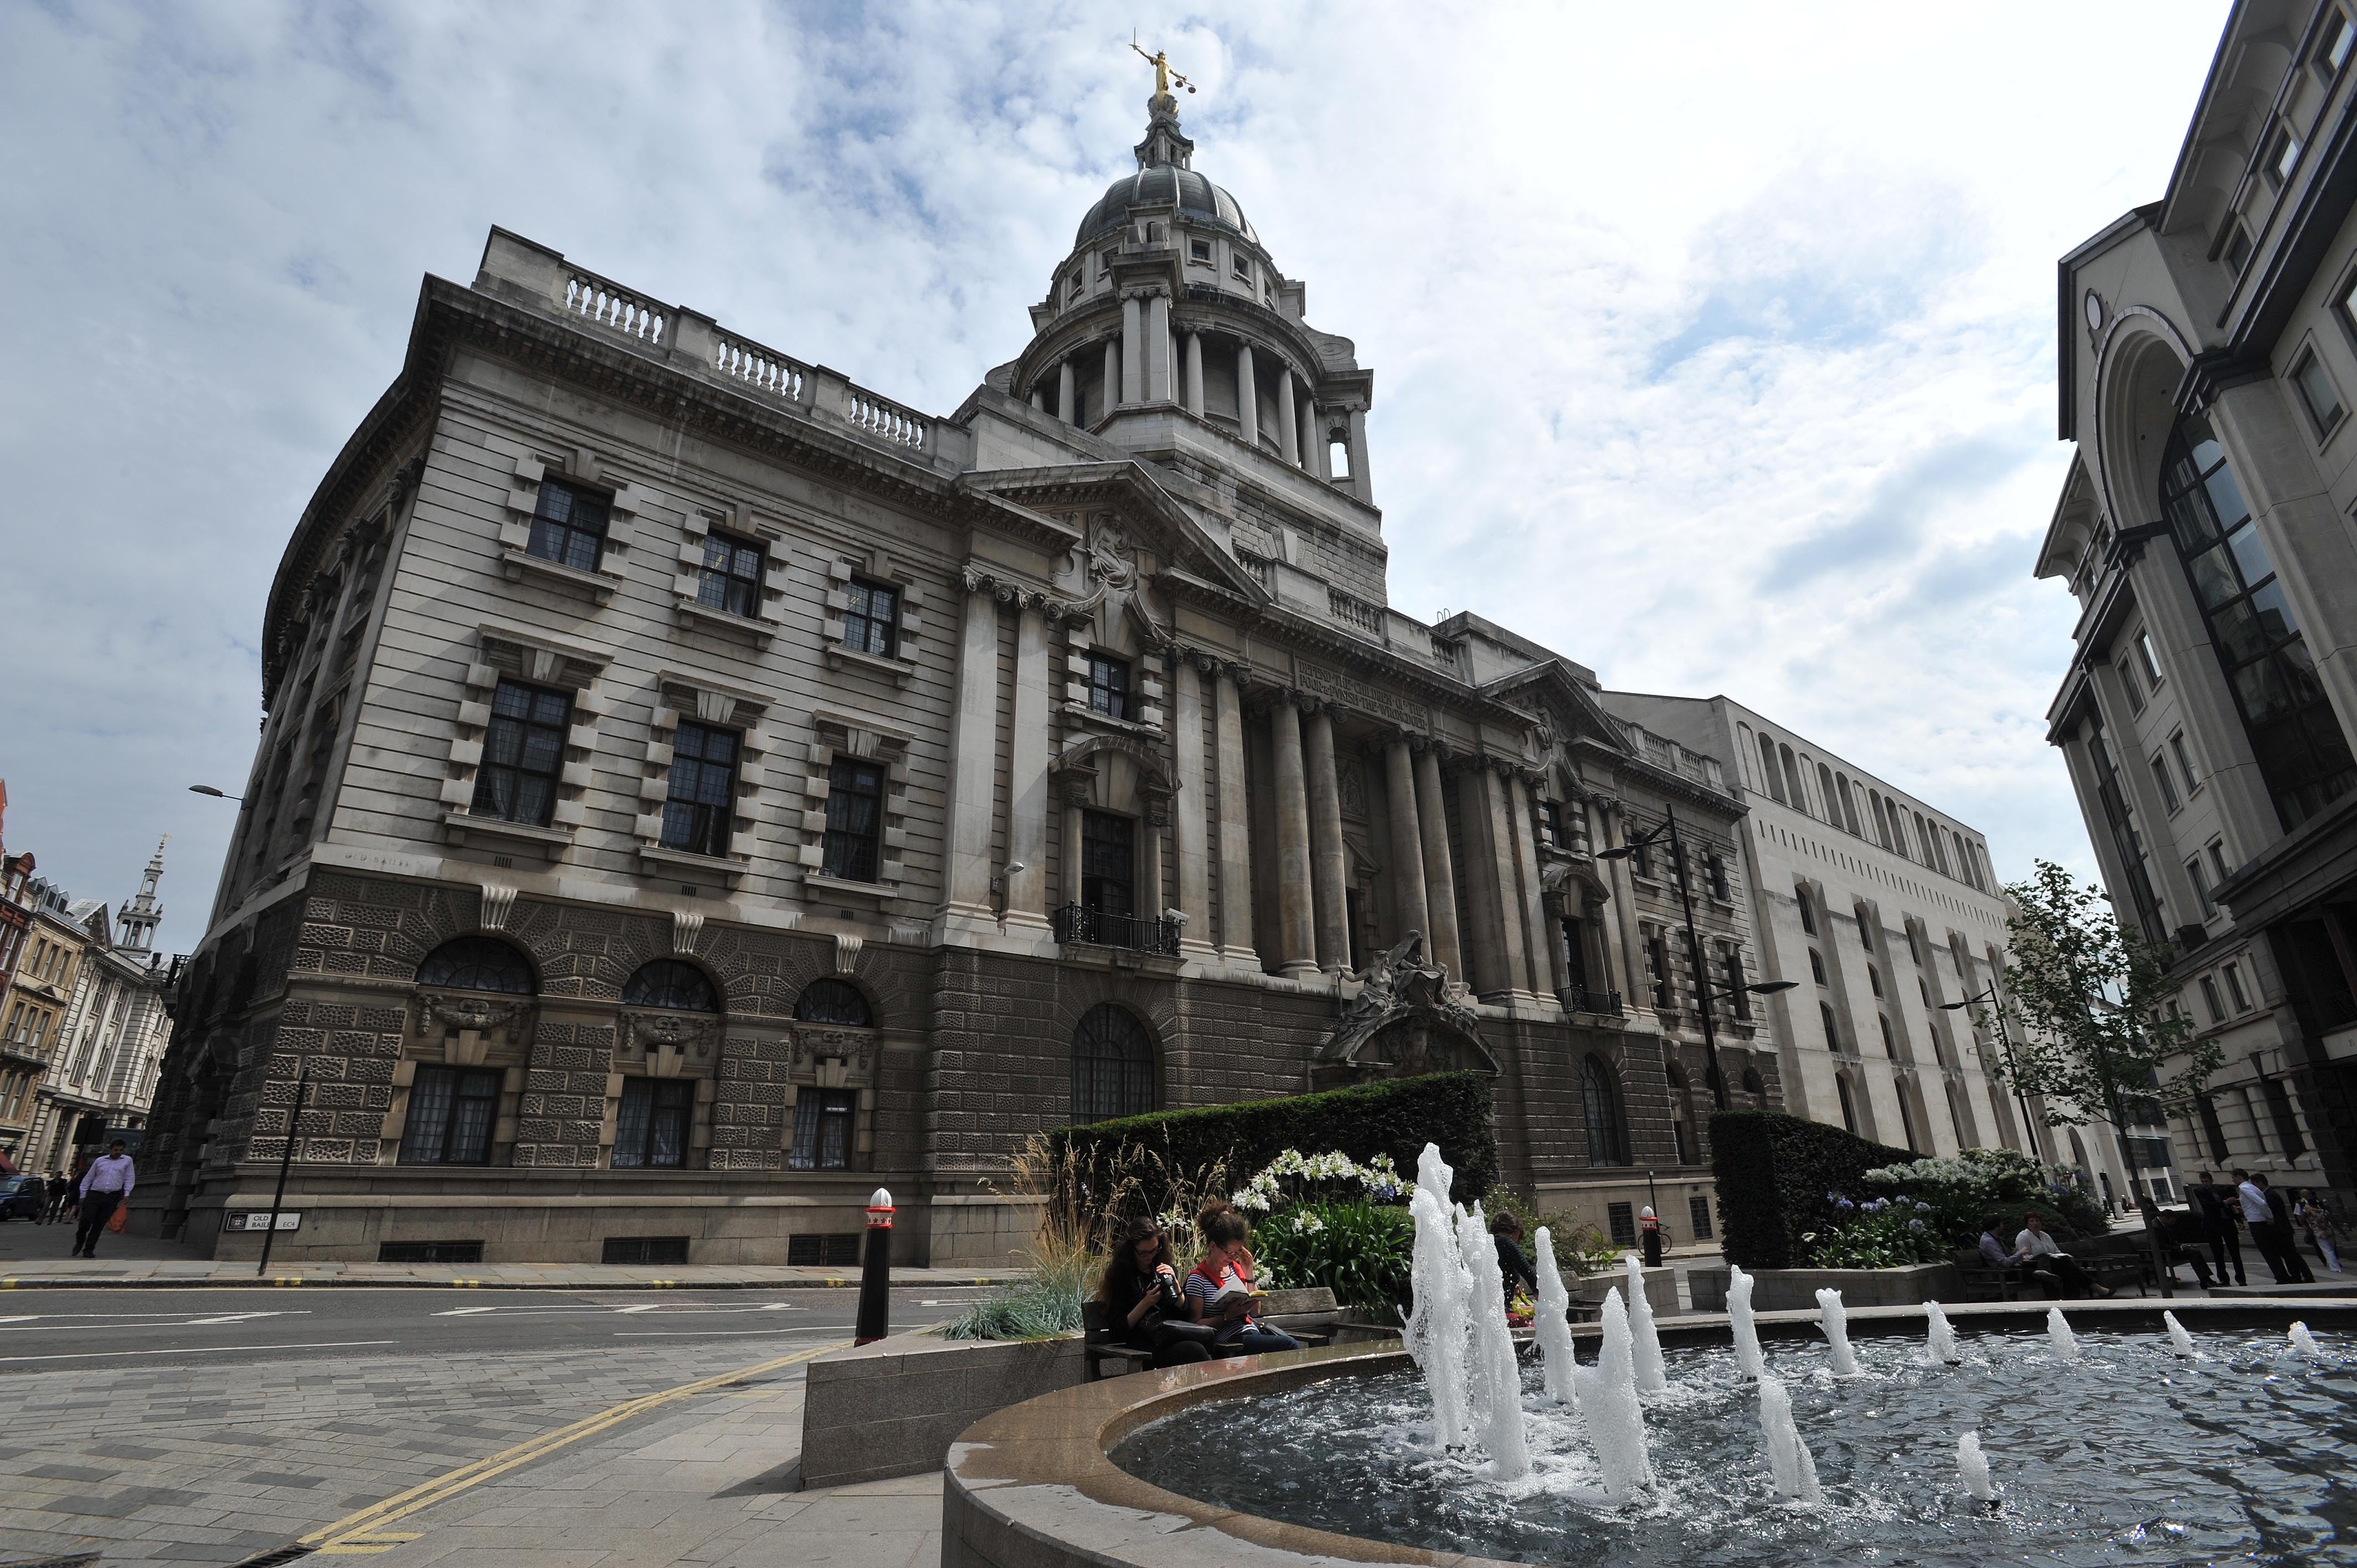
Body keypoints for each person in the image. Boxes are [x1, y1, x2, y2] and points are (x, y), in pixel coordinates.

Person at [1097, 1217, 1213, 1369]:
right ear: (1131, 1250)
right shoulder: (1121, 1277)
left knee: (1203, 1346)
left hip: (1168, 1337)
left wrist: (1177, 1290)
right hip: (1142, 1344)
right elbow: (1118, 1330)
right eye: (1144, 1253)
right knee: (1195, 1351)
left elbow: (1184, 1317)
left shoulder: (1163, 1268)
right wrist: (1146, 1303)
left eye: (1154, 1250)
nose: (1150, 1256)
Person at [1186, 1207, 1300, 1356]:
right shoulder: (1197, 1279)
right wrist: (1227, 1316)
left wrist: (1249, 1272)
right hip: (1228, 1342)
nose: (1232, 1257)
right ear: (1213, 1246)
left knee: (1286, 1345)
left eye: (1237, 1252)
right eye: (1228, 1252)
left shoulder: (1235, 1269)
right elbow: (1195, 1325)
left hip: (1250, 1331)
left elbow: (1255, 1312)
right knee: (1290, 1345)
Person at [2015, 1210, 2113, 1298]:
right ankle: (2096, 1287)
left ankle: (2074, 1300)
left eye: (2037, 1221)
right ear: (2027, 1224)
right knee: (2068, 1267)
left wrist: (2064, 1255)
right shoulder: (2023, 1237)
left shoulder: (2045, 1236)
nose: (2035, 1224)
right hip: (2036, 1267)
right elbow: (2026, 1258)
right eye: (2032, 1221)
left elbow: (2056, 1251)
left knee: (2069, 1272)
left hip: (2054, 1265)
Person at [2236, 1169, 2306, 1286]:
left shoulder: (2246, 1188)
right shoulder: (2254, 1189)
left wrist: (2269, 1217)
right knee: (2283, 1254)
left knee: (2282, 1254)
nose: (2233, 1180)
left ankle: (2288, 1277)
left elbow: (2262, 1204)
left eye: (2233, 1178)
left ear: (2239, 1177)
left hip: (2268, 1225)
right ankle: (2290, 1277)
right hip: (2268, 1224)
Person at [73, 1140, 134, 1259]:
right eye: (116, 1150)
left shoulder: (127, 1161)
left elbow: (129, 1178)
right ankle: (80, 1241)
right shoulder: (100, 1161)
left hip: (112, 1196)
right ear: (110, 1149)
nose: (118, 1152)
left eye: (121, 1150)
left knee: (99, 1224)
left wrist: (127, 1193)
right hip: (95, 1194)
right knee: (86, 1220)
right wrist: (83, 1195)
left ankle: (89, 1249)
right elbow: (88, 1178)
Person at [2259, 1174, 2317, 1285]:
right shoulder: (2270, 1194)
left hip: (2282, 1230)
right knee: (2290, 1255)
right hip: (2283, 1229)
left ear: (2260, 1183)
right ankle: (2297, 1276)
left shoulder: (2270, 1195)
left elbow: (2274, 1213)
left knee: (2292, 1254)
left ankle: (2305, 1276)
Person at [2192, 1172, 2247, 1287]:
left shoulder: (2222, 1190)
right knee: (2218, 1253)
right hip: (2213, 1225)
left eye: (2207, 1181)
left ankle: (2241, 1278)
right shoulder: (2200, 1191)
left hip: (2227, 1223)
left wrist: (2239, 1220)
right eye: (2203, 1182)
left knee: (2235, 1253)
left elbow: (2233, 1207)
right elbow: (2207, 1205)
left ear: (2212, 1181)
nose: (2205, 1184)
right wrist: (2224, 1203)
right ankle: (2223, 1278)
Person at [1492, 1210, 1539, 1304]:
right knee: (1532, 1320)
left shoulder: (1490, 1243)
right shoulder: (1506, 1242)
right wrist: (1538, 1291)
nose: (1517, 1242)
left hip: (1492, 1311)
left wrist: (1512, 1285)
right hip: (1504, 1312)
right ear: (1516, 1230)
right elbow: (1527, 1271)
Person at [2296, 1190, 2343, 1275]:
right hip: (2328, 1230)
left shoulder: (2308, 1210)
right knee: (2331, 1249)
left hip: (2318, 1231)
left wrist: (2308, 1226)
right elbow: (2332, 1220)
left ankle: (2335, 1268)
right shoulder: (2323, 1210)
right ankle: (2333, 1264)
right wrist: (2342, 1232)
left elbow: (2302, 1219)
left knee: (2326, 1250)